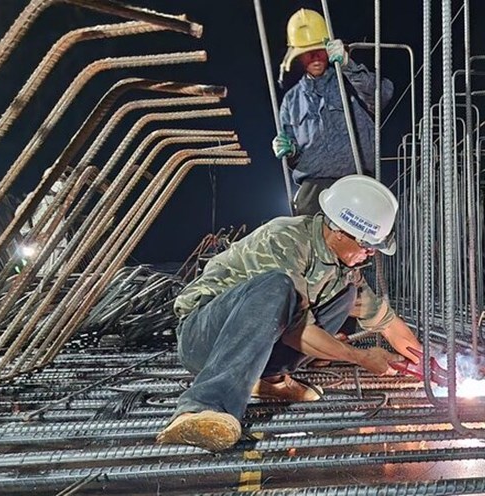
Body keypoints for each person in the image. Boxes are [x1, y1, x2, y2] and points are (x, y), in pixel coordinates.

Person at [156, 175, 423, 452]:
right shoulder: (285, 239)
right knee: (277, 287)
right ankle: (200, 407)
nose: (369, 254)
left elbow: (386, 322)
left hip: (250, 344)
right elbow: (297, 332)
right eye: (367, 246)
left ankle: (269, 379)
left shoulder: (344, 268)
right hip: (204, 338)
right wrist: (362, 357)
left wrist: (422, 363)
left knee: (346, 297)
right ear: (340, 230)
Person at [272, 9, 394, 216]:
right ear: (298, 56)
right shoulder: (291, 101)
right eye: (307, 52)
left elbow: (381, 94)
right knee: (309, 244)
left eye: (318, 49)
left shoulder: (350, 81)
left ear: (328, 48)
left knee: (358, 246)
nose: (314, 57)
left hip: (355, 182)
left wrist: (348, 65)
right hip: (313, 191)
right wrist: (289, 151)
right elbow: (293, 157)